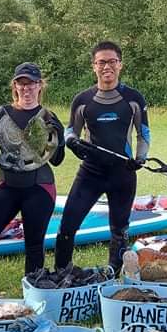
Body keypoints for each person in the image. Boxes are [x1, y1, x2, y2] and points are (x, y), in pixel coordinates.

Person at [0, 63, 65, 297]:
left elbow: (57, 160)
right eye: (21, 83)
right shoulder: (3, 115)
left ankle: (33, 296)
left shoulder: (48, 118)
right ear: (15, 86)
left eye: (31, 83)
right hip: (9, 186)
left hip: (39, 188)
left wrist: (59, 137)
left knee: (34, 245)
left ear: (39, 86)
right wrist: (6, 159)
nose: (27, 88)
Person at [56, 41, 150, 273]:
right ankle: (61, 270)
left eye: (111, 62)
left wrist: (140, 158)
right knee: (68, 223)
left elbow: (143, 133)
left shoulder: (134, 98)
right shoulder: (82, 100)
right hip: (91, 172)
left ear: (120, 65)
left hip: (123, 173)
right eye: (101, 62)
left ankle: (113, 271)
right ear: (94, 66)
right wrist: (71, 142)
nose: (106, 67)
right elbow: (71, 130)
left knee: (119, 229)